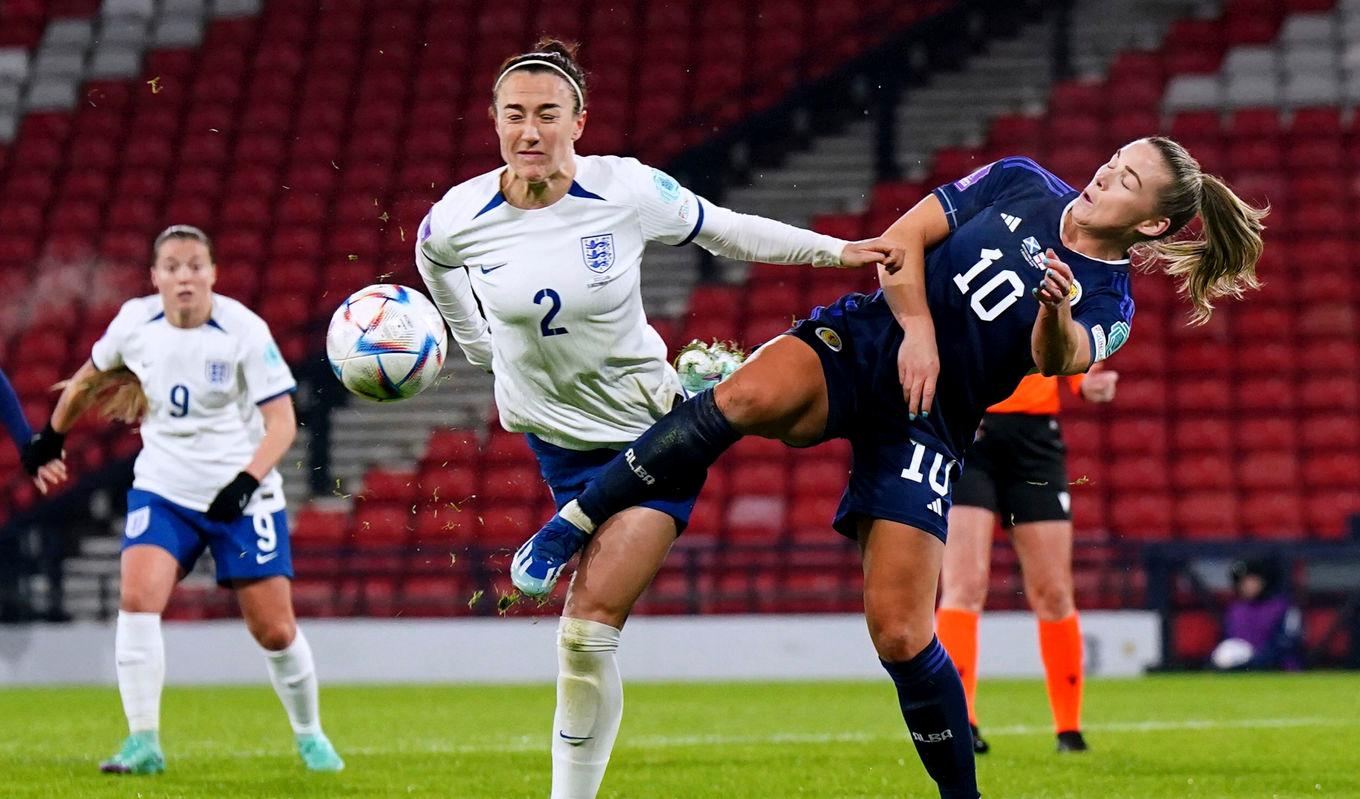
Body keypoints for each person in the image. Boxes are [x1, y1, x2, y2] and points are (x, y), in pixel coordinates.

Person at [513, 137, 1266, 798]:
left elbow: (1056, 357)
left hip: (934, 424)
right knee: (742, 395)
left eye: (1128, 179)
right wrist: (916, 331)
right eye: (1116, 159)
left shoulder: (1110, 299)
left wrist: (1053, 309)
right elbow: (902, 239)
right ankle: (567, 525)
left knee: (902, 633)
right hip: (874, 342)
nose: (1106, 173)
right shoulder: (1021, 181)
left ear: (1154, 225)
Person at [415, 39, 900, 799]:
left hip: (652, 434)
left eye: (548, 114)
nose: (531, 131)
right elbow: (435, 265)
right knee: (581, 629)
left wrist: (840, 252)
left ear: (580, 118)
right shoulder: (457, 217)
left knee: (584, 629)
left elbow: (727, 227)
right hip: (555, 443)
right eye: (515, 116)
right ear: (493, 122)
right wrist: (478, 347)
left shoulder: (627, 190)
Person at [20, 225, 344, 775]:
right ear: (156, 277)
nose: (184, 276)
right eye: (172, 266)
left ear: (213, 273)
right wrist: (52, 436)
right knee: (137, 599)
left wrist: (244, 481)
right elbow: (87, 381)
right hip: (164, 489)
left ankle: (311, 736)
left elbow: (282, 422)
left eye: (195, 265)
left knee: (274, 631)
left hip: (243, 496)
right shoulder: (135, 322)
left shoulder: (243, 330)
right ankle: (143, 742)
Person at [937, 368, 1117, 756]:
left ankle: (1069, 730)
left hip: (1034, 440)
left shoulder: (1054, 301)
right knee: (964, 585)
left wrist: (1087, 380)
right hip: (968, 426)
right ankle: (961, 722)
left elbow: (1070, 335)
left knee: (1053, 591)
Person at [1210, 556, 1303, 671]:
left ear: (1264, 581)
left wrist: (1254, 660)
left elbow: (1287, 644)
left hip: (1278, 670)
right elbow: (1228, 640)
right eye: (1243, 582)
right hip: (1239, 670)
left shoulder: (1283, 607)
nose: (1248, 586)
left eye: (1252, 580)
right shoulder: (1235, 609)